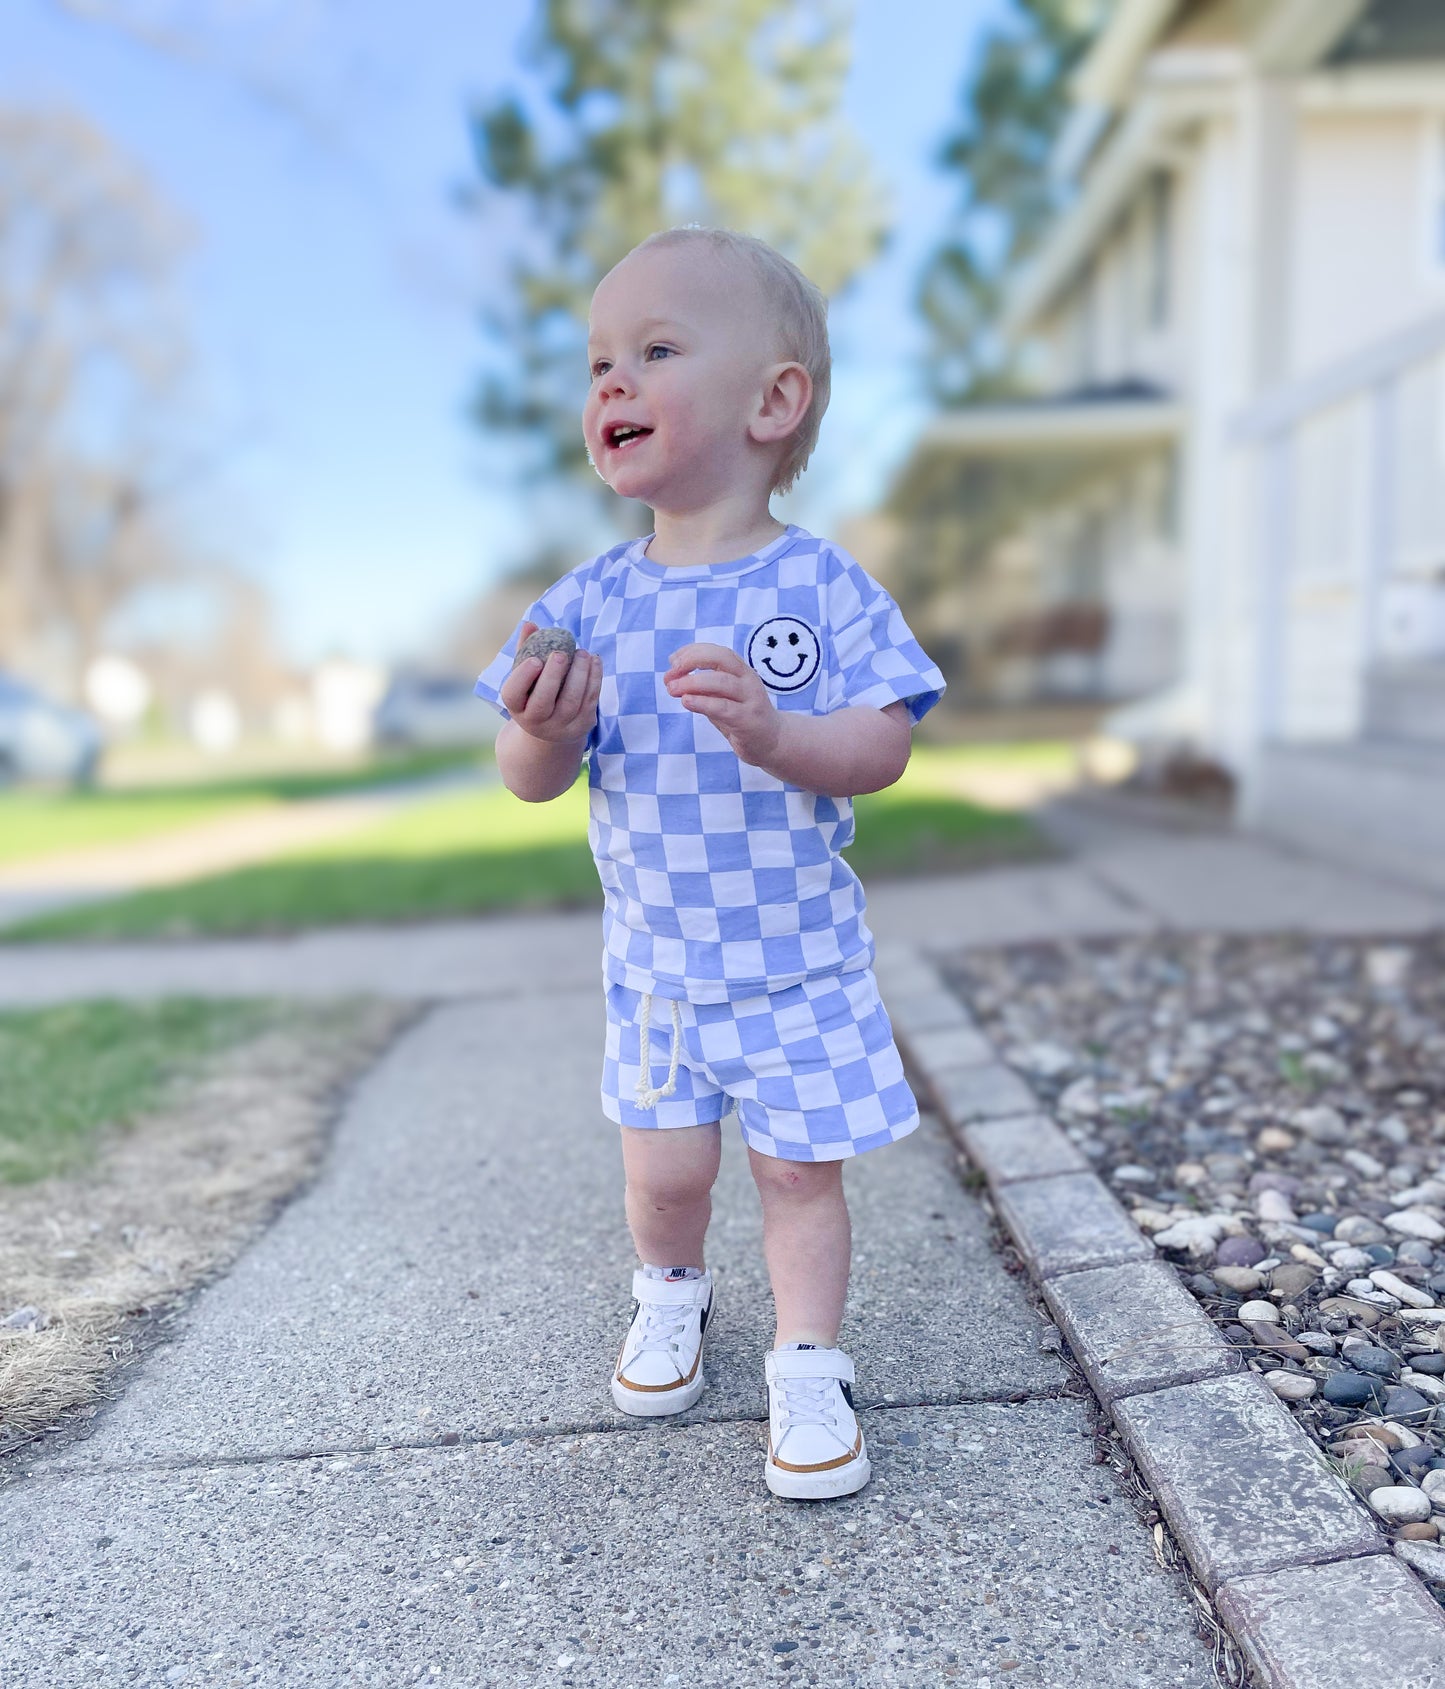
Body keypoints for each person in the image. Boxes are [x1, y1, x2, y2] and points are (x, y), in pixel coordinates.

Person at [473, 226, 945, 1501]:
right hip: (658, 969)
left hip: (794, 963)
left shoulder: (823, 585)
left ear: (772, 402)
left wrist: (779, 733)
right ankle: (669, 1297)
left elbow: (884, 743)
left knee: (797, 1171)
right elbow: (524, 776)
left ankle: (806, 1363)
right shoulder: (580, 607)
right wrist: (541, 730)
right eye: (598, 364)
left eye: (655, 350)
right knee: (664, 1173)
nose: (610, 384)